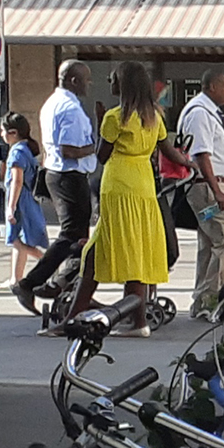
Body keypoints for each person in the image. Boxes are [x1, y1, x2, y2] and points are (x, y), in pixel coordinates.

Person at [68, 61, 172, 330]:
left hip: (119, 188)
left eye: (114, 78)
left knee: (100, 252)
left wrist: (100, 121)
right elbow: (167, 149)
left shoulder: (115, 117)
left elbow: (103, 156)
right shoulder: (154, 117)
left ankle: (74, 320)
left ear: (123, 85)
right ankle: (136, 322)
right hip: (144, 188)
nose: (110, 82)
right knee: (134, 252)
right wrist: (189, 163)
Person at [16, 61, 97, 309]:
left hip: (59, 173)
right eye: (85, 80)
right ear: (73, 80)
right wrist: (98, 146)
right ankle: (31, 283)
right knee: (73, 236)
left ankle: (71, 290)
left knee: (78, 237)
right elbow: (69, 150)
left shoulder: (53, 102)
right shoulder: (69, 108)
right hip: (68, 175)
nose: (88, 85)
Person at [178, 68, 224, 316]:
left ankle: (204, 300)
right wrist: (217, 191)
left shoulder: (209, 112)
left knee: (209, 241)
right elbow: (201, 154)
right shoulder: (200, 114)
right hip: (208, 188)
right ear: (211, 87)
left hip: (210, 186)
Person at [0, 110, 48, 286]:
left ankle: (49, 264)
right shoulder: (27, 149)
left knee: (16, 240)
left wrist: (10, 207)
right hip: (27, 199)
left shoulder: (16, 153)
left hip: (20, 200)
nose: (1, 135)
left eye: (3, 131)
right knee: (19, 238)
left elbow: (16, 181)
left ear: (13, 133)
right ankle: (15, 278)